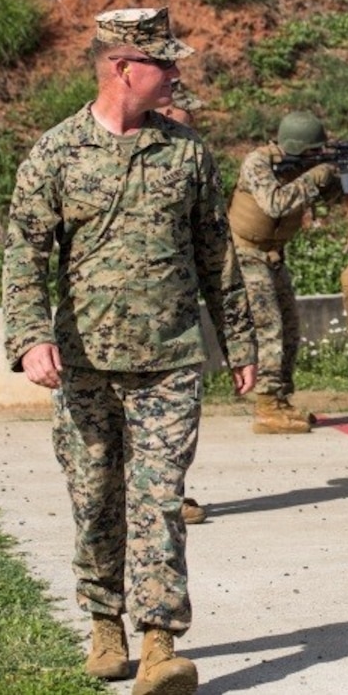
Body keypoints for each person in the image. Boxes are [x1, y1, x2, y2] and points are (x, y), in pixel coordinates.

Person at [2, 7, 257, 695]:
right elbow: (24, 254)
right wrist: (29, 338)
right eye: (165, 63)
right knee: (95, 498)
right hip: (85, 366)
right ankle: (104, 619)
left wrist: (240, 340)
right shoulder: (55, 154)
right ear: (123, 67)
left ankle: (159, 641)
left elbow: (217, 256)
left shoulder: (188, 153)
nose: (176, 73)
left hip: (170, 361)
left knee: (160, 498)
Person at [228, 111, 346, 434]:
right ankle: (265, 405)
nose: (317, 158)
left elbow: (333, 196)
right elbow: (274, 204)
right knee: (270, 326)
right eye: (313, 152)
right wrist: (315, 177)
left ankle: (280, 397)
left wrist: (340, 177)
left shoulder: (301, 167)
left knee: (291, 326)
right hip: (246, 252)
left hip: (274, 255)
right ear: (298, 147)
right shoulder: (258, 162)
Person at [156, 80, 208, 527]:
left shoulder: (190, 159)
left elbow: (211, 246)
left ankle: (173, 493)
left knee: (172, 431)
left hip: (177, 322)